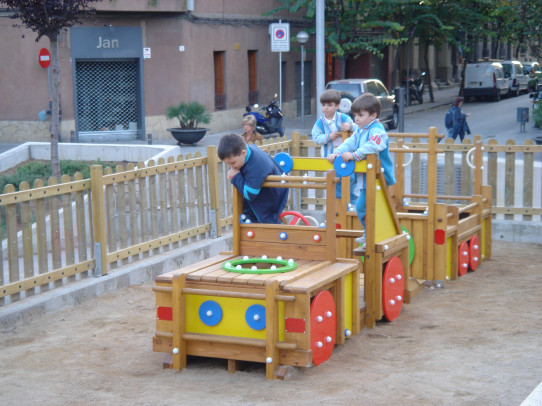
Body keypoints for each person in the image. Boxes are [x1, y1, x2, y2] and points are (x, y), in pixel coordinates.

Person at [326, 93, 396, 245]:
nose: (356, 119)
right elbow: (349, 142)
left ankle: (370, 234)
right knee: (366, 206)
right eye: (354, 115)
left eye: (360, 115)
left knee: (362, 207)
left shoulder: (377, 131)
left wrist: (354, 155)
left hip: (379, 178)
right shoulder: (360, 130)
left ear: (373, 115)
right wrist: (336, 152)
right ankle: (369, 233)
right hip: (367, 178)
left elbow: (373, 146)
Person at [218, 133, 288, 224]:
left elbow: (250, 194)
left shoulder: (256, 166)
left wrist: (235, 177)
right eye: (228, 164)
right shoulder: (246, 152)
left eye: (232, 163)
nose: (231, 167)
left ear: (243, 153)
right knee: (245, 216)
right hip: (268, 191)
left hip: (272, 197)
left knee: (267, 223)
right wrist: (234, 172)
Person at [311, 89, 358, 202]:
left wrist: (349, 126)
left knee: (350, 177)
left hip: (345, 154)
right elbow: (316, 137)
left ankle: (351, 201)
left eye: (330, 105)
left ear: (337, 106)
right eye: (323, 105)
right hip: (330, 156)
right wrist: (328, 137)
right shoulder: (320, 122)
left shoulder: (343, 118)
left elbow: (357, 127)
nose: (325, 108)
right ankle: (337, 203)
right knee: (334, 179)